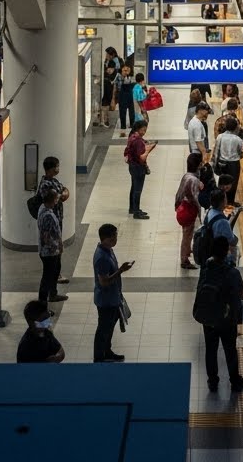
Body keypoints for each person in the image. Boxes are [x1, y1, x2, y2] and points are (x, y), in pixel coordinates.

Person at [197, 235, 243, 393]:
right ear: (227, 251)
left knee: (210, 350)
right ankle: (234, 381)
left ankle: (212, 381)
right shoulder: (232, 272)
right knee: (230, 349)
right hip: (227, 319)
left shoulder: (206, 269)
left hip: (208, 317)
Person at [93, 223, 133, 363]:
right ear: (105, 238)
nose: (116, 239)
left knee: (109, 328)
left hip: (113, 297)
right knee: (103, 329)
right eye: (113, 237)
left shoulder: (108, 250)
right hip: (106, 300)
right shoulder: (102, 257)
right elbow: (104, 282)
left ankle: (107, 351)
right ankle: (99, 356)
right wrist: (121, 270)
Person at [38, 157, 70, 285]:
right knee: (55, 248)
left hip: (58, 218)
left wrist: (63, 193)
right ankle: (55, 277)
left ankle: (56, 273)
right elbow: (61, 195)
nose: (58, 168)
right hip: (54, 220)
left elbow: (64, 192)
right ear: (51, 168)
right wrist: (62, 194)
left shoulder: (54, 181)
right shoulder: (45, 184)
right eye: (57, 166)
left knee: (58, 247)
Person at [37, 188, 68, 303]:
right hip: (49, 253)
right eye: (56, 199)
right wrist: (57, 247)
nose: (57, 201)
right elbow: (46, 237)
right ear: (52, 200)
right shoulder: (48, 215)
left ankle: (52, 294)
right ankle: (43, 303)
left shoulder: (43, 209)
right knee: (47, 278)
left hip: (49, 251)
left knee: (52, 274)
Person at [175, 153, 204, 269]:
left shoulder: (186, 176)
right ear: (198, 165)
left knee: (186, 233)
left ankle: (187, 251)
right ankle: (184, 260)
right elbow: (197, 199)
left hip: (182, 209)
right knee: (187, 236)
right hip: (188, 211)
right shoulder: (194, 180)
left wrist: (176, 206)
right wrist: (201, 215)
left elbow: (179, 193)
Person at [123, 120, 156, 219]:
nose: (144, 132)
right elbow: (142, 157)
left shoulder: (132, 137)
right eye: (143, 130)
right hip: (138, 167)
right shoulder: (138, 141)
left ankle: (132, 208)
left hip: (132, 166)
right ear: (138, 129)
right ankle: (136, 212)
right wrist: (149, 149)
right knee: (138, 190)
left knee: (133, 187)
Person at [214, 116, 243, 208]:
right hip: (234, 164)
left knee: (221, 182)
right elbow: (241, 154)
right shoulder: (238, 140)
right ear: (235, 127)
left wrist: (214, 164)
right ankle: (230, 202)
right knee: (232, 183)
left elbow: (216, 151)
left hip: (222, 163)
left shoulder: (220, 137)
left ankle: (221, 200)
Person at [100, 46, 121, 126]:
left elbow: (110, 74)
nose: (106, 55)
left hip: (110, 87)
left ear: (111, 55)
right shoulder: (112, 61)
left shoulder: (113, 63)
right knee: (105, 104)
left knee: (106, 104)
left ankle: (106, 120)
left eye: (107, 54)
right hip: (109, 86)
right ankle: (105, 120)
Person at [187, 102, 212, 167]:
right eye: (206, 111)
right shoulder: (197, 124)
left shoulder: (195, 121)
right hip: (197, 154)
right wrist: (204, 154)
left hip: (195, 152)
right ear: (201, 111)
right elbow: (198, 141)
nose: (207, 114)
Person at [115, 64, 137, 136]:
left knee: (131, 110)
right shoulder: (118, 76)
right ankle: (123, 125)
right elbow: (116, 86)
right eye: (124, 70)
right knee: (122, 111)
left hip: (129, 95)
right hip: (122, 95)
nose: (126, 72)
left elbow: (134, 84)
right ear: (121, 70)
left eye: (127, 70)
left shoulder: (131, 77)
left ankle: (132, 124)